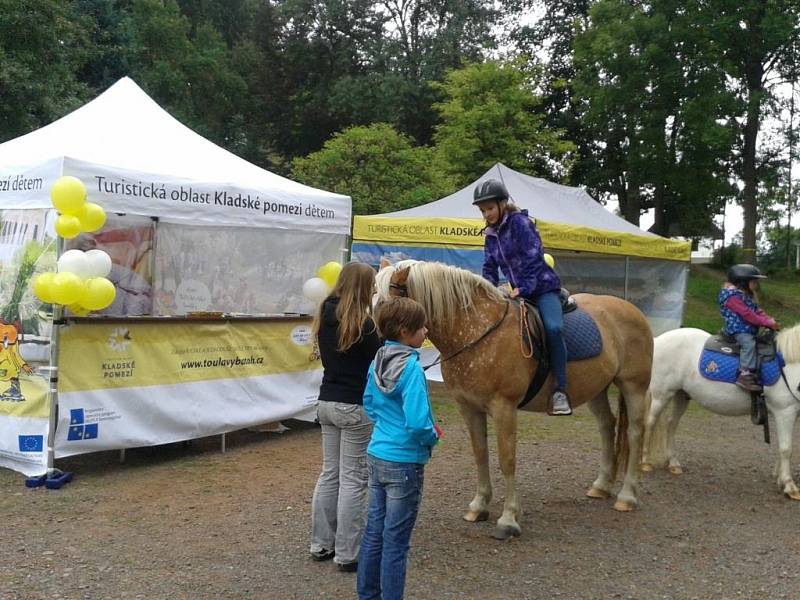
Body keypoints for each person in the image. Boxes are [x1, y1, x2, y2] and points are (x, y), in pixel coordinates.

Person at [357, 297, 439, 600]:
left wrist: (387, 427)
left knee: (374, 532)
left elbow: (368, 402)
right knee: (396, 542)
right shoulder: (412, 369)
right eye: (421, 327)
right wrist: (431, 437)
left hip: (378, 453)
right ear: (406, 331)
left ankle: (367, 595)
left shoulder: (377, 359)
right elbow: (418, 423)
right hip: (404, 462)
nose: (427, 330)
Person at [473, 179, 572, 415]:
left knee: (554, 328)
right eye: (483, 210)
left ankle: (561, 390)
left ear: (502, 204)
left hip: (542, 288)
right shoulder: (490, 234)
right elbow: (489, 267)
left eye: (490, 208)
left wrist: (523, 289)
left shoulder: (521, 224)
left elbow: (533, 260)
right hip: (516, 292)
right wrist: (488, 290)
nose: (487, 214)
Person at [310, 262, 381, 573]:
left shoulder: (324, 315)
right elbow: (380, 360)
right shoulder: (364, 326)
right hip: (354, 405)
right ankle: (347, 552)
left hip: (326, 401)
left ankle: (320, 543)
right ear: (364, 288)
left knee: (330, 474)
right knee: (353, 479)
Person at [719, 264, 780, 391]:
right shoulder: (732, 297)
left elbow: (757, 311)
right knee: (749, 344)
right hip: (738, 330)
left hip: (747, 329)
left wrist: (769, 319)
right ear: (742, 282)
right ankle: (744, 374)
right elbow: (748, 315)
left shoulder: (745, 296)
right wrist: (766, 323)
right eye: (753, 282)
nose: (756, 285)